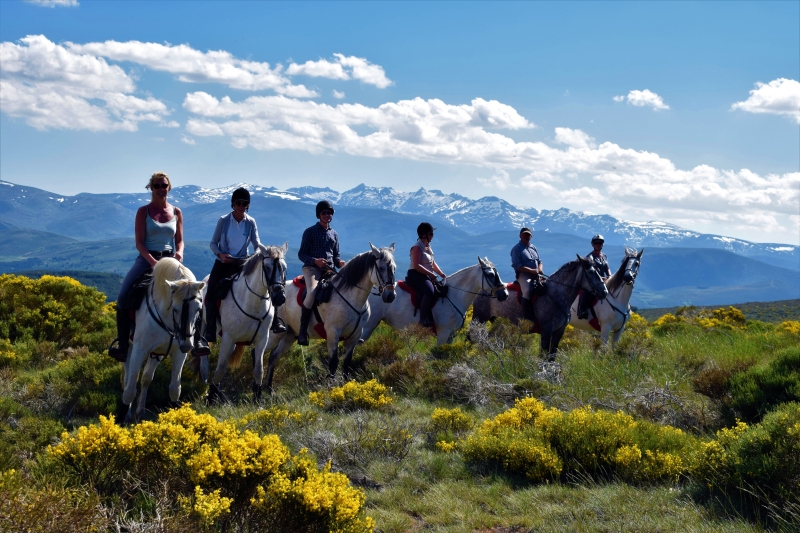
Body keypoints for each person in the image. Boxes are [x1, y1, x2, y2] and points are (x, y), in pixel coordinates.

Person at [197, 187, 285, 353]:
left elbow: (256, 242)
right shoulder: (223, 221)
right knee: (211, 290)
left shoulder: (251, 222)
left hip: (242, 263)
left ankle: (275, 320)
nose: (241, 206)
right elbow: (213, 243)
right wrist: (221, 254)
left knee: (267, 283)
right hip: (223, 262)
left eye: (245, 203)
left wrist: (264, 253)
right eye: (238, 203)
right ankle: (209, 329)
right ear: (233, 204)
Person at [108, 171, 184, 362]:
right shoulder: (144, 211)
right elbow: (140, 243)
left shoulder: (176, 212)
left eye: (164, 185)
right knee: (123, 298)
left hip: (170, 260)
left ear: (169, 187)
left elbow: (180, 241)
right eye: (157, 186)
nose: (161, 189)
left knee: (191, 295)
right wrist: (152, 262)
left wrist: (179, 252)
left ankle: (195, 339)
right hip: (146, 260)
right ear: (151, 188)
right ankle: (123, 345)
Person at [296, 200, 346, 345]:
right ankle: (302, 331)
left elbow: (336, 255)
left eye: (329, 213)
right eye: (324, 213)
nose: (327, 215)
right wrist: (314, 261)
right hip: (311, 270)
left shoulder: (334, 234)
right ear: (319, 215)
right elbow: (301, 254)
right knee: (312, 293)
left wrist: (339, 262)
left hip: (330, 270)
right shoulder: (310, 232)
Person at [406, 222, 447, 327]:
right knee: (429, 291)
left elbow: (432, 263)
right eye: (431, 233)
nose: (433, 235)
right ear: (424, 235)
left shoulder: (427, 246)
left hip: (425, 275)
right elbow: (416, 265)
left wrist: (441, 274)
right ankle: (423, 319)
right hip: (415, 274)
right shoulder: (417, 247)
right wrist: (431, 275)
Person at [510, 227, 543, 323]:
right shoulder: (516, 249)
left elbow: (540, 261)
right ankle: (527, 317)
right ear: (520, 236)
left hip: (536, 274)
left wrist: (540, 269)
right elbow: (517, 265)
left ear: (531, 236)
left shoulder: (533, 247)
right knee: (527, 291)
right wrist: (531, 270)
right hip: (524, 275)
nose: (526, 236)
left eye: (528, 235)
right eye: (524, 235)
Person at [577, 234, 611, 319]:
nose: (598, 244)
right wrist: (601, 278)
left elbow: (607, 268)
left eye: (600, 243)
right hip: (595, 281)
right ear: (593, 244)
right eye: (596, 243)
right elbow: (591, 272)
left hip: (606, 279)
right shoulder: (590, 257)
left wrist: (610, 276)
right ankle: (582, 310)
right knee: (587, 291)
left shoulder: (604, 256)